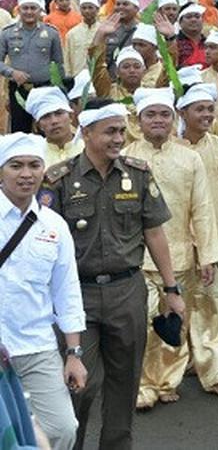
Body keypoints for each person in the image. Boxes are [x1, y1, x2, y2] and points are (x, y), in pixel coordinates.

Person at [44, 100, 180, 450]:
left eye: (122, 130)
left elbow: (154, 233)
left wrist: (172, 288)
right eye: (110, 131)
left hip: (127, 291)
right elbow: (45, 241)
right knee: (80, 384)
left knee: (124, 385)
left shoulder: (137, 174)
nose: (119, 138)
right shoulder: (59, 180)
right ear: (86, 133)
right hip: (77, 296)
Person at [121, 88, 218, 412]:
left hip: (180, 253)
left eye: (164, 114)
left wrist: (207, 254)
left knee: (176, 321)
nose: (158, 120)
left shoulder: (189, 158)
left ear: (173, 118)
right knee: (143, 324)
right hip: (136, 257)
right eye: (151, 115)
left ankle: (167, 381)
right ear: (139, 120)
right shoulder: (126, 158)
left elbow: (202, 209)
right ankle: (144, 384)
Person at [0, 133, 87, 450]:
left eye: (34, 165)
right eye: (16, 166)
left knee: (63, 429)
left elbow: (67, 291)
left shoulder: (54, 225)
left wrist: (74, 354)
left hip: (37, 347)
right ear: (1, 171)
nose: (26, 174)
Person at [173, 83, 218, 397]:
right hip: (178, 239)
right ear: (182, 113)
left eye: (209, 109)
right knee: (184, 304)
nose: (206, 115)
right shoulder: (173, 149)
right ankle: (185, 359)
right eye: (198, 109)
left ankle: (217, 372)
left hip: (216, 235)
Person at [0, 0, 65, 133]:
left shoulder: (51, 33)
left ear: (40, 10)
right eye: (25, 8)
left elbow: (59, 63)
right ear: (19, 9)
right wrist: (11, 72)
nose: (29, 12)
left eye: (33, 8)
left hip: (45, 89)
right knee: (20, 130)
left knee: (46, 130)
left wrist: (61, 90)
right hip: (19, 90)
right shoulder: (7, 33)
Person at [23, 87, 83, 166]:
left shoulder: (88, 148)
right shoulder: (34, 153)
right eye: (46, 116)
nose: (54, 121)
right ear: (38, 125)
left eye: (59, 113)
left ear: (71, 117)